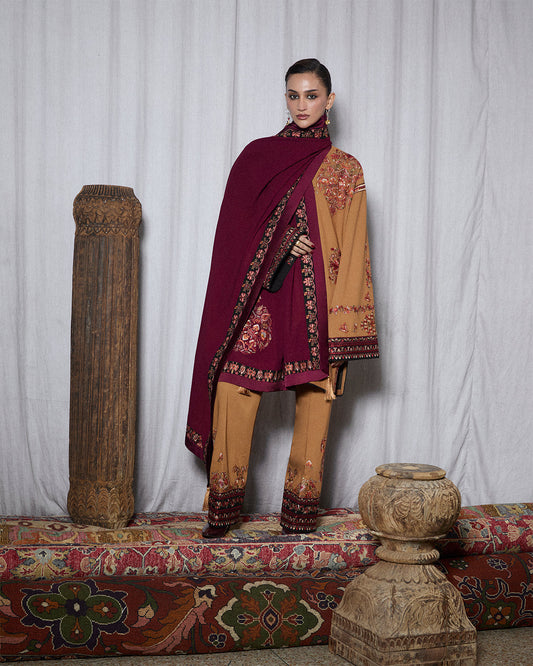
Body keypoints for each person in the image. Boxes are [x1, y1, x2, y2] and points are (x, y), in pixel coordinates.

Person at [185, 58, 379, 538]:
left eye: (312, 95)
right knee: (233, 385)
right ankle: (224, 508)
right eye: (294, 95)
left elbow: (355, 248)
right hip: (264, 297)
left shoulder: (345, 170)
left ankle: (299, 514)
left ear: (329, 100)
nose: (302, 105)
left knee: (316, 396)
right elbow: (234, 238)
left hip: (319, 302)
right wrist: (282, 243)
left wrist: (347, 333)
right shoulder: (258, 158)